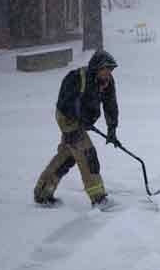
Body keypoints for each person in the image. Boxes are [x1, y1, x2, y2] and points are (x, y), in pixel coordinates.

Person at [33, 49, 121, 210]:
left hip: (82, 120)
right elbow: (65, 103)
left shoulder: (107, 82)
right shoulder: (77, 78)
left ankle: (42, 193)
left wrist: (112, 129)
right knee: (87, 154)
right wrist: (80, 117)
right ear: (96, 67)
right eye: (106, 69)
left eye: (111, 70)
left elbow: (110, 105)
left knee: (67, 156)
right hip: (68, 119)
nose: (109, 73)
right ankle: (98, 198)